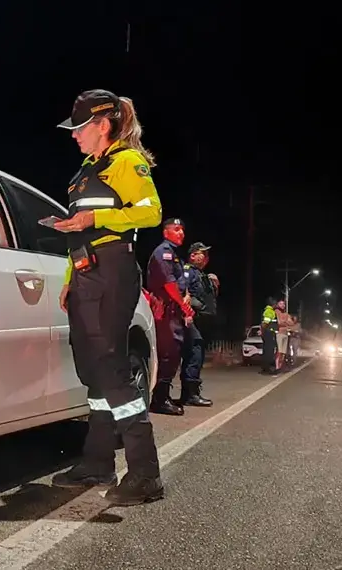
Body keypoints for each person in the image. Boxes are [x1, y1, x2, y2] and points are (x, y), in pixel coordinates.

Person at [49, 89, 164, 506]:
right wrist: (67, 276)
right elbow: (78, 232)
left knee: (111, 367)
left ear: (103, 125)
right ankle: (98, 461)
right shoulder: (86, 168)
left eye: (80, 128)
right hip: (84, 273)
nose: (74, 135)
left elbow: (151, 212)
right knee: (92, 370)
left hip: (112, 270)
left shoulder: (127, 162)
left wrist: (96, 216)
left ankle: (145, 473)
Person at [145, 218, 195, 416]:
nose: (181, 233)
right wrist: (183, 305)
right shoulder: (163, 253)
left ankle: (162, 396)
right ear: (166, 233)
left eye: (182, 229)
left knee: (173, 354)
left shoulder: (174, 255)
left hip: (173, 310)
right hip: (164, 311)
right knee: (167, 354)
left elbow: (179, 284)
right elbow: (168, 283)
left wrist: (186, 298)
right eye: (176, 229)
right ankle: (159, 399)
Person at [179, 242, 217, 406]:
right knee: (194, 354)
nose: (206, 256)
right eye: (202, 253)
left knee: (196, 354)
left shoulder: (201, 275)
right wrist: (194, 308)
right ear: (193, 255)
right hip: (192, 319)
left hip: (201, 321)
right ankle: (190, 394)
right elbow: (183, 293)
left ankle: (190, 393)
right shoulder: (188, 272)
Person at [260, 297, 279, 374]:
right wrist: (263, 330)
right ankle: (266, 369)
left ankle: (265, 368)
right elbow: (265, 323)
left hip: (267, 332)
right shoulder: (269, 311)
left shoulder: (268, 310)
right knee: (269, 351)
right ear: (272, 304)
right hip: (268, 333)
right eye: (275, 304)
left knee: (266, 350)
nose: (276, 305)